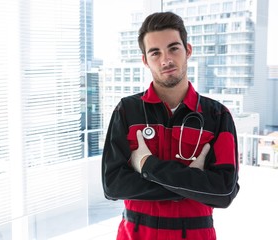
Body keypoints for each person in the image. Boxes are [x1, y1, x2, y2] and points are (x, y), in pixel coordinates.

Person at [101, 12, 240, 240]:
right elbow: (113, 186)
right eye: (155, 53)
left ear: (188, 50)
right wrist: (192, 182)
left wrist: (146, 165)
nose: (165, 60)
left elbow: (224, 191)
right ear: (145, 60)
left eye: (174, 48)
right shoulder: (127, 111)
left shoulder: (217, 115)